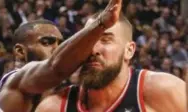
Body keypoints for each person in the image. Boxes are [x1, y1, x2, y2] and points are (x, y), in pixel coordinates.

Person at [35, 5, 186, 112]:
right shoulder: (53, 107)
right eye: (88, 41)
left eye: (106, 40)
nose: (93, 49)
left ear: (129, 50)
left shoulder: (163, 91)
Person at [0, 0, 122, 111]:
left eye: (60, 43)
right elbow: (55, 67)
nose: (56, 48)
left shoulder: (47, 96)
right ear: (20, 52)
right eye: (46, 42)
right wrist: (101, 22)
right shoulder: (16, 80)